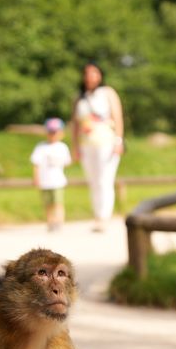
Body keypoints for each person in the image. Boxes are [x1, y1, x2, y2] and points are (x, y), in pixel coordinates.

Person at [71, 62, 125, 232]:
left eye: (93, 73)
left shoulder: (108, 93)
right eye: (87, 73)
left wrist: (119, 140)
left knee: (104, 180)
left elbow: (117, 116)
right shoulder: (80, 97)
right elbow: (75, 124)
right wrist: (75, 146)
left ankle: (104, 217)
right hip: (87, 144)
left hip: (106, 141)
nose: (90, 77)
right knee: (93, 181)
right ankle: (97, 215)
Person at [30, 117, 72, 232]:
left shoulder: (62, 147)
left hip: (58, 181)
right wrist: (36, 178)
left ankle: (59, 222)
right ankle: (50, 222)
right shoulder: (41, 147)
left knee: (58, 203)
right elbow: (36, 163)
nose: (53, 134)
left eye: (55, 132)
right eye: (51, 132)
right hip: (45, 181)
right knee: (48, 204)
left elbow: (68, 162)